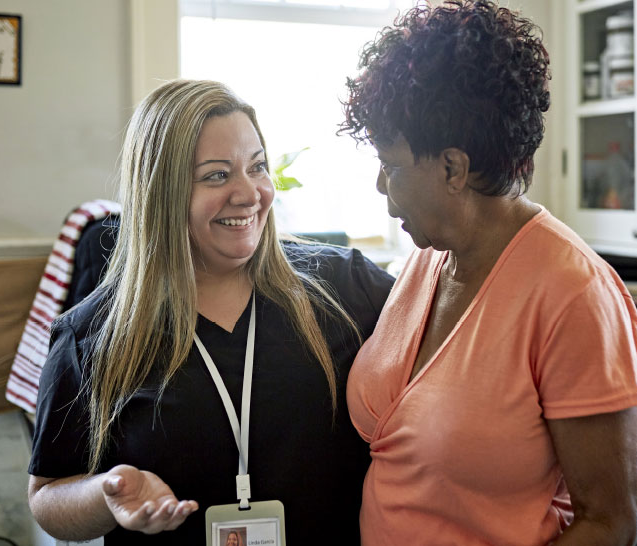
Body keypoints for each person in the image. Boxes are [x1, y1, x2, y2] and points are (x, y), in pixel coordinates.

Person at [339, 2, 637, 545]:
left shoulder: (574, 293)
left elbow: (612, 522)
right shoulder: (428, 256)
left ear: (452, 168)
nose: (379, 185)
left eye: (390, 166)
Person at [27, 79, 394, 544]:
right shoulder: (91, 335)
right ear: (161, 192)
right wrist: (106, 493)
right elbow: (45, 498)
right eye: (217, 175)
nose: (250, 194)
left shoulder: (346, 287)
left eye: (257, 167)